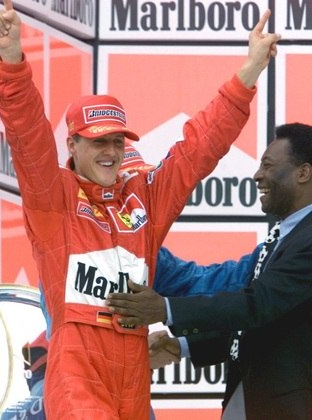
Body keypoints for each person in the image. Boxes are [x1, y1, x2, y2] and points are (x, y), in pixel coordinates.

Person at [0, 0, 280, 418]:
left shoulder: (144, 200)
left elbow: (198, 149)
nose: (110, 152)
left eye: (117, 141)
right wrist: (13, 59)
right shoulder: (53, 197)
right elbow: (26, 132)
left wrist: (249, 72)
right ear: (72, 145)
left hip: (132, 366)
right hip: (77, 367)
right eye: (97, 141)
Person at [107, 123, 312, 419]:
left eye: (267, 166)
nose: (257, 175)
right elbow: (260, 324)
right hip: (250, 399)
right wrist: (181, 346)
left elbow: (257, 305)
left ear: (303, 173)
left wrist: (165, 309)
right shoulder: (285, 234)